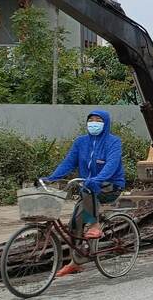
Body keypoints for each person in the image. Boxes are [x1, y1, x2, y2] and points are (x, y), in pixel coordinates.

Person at [44, 110, 125, 277]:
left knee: (88, 188)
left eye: (98, 120)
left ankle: (95, 225)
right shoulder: (80, 142)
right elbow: (68, 162)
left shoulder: (113, 142)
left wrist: (98, 178)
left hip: (110, 185)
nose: (93, 123)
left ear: (105, 123)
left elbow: (112, 164)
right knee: (75, 223)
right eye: (91, 120)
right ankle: (76, 262)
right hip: (89, 188)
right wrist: (52, 177)